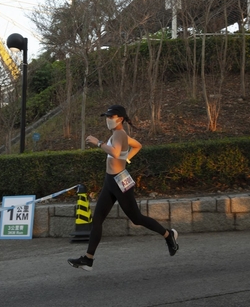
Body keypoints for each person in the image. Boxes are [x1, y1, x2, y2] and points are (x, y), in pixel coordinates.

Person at [68, 105, 178, 271]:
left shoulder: (119, 134)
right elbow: (137, 145)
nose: (108, 119)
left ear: (119, 119)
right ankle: (88, 259)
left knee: (137, 218)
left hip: (119, 181)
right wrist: (127, 159)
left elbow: (115, 152)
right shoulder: (118, 135)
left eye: (110, 117)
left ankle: (169, 235)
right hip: (110, 181)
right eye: (106, 116)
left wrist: (98, 143)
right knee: (97, 219)